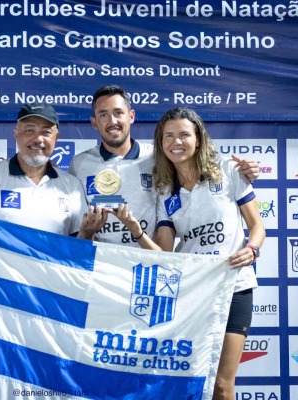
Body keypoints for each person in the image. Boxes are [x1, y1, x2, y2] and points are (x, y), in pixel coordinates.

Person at [114, 107, 265, 400]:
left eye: (184, 134)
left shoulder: (229, 170)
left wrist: (252, 249)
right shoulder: (165, 191)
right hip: (193, 292)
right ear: (161, 143)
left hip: (235, 287)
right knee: (190, 383)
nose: (176, 142)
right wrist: (135, 229)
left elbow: (257, 225)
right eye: (168, 136)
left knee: (222, 385)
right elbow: (163, 252)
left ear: (198, 137)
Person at [69, 84, 260, 246]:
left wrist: (246, 170)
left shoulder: (159, 156)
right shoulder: (79, 164)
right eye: (103, 115)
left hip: (149, 262)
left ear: (131, 116)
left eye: (119, 113)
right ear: (94, 122)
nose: (112, 121)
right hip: (103, 269)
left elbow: (201, 165)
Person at [0, 103, 106, 238]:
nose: (38, 139)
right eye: (30, 131)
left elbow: (78, 248)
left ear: (56, 138)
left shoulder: (71, 185)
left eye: (46, 132)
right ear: (16, 135)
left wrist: (87, 232)